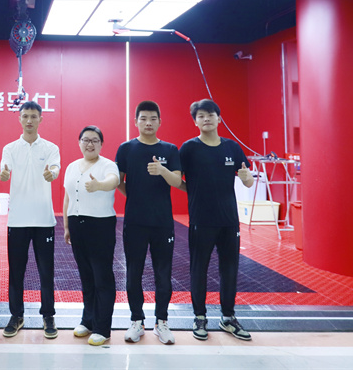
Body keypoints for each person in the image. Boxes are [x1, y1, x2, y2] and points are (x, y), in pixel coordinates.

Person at [180, 99, 254, 342]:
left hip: (229, 220)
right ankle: (199, 317)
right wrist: (193, 191)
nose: (206, 119)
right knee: (198, 269)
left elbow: (248, 181)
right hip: (201, 219)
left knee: (229, 269)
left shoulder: (232, 147)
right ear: (195, 121)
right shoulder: (189, 148)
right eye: (201, 116)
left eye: (210, 114)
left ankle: (228, 317)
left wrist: (247, 177)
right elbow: (178, 179)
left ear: (219, 118)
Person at [115, 101, 182, 345]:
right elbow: (118, 181)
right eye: (143, 118)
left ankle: (161, 321)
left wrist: (162, 170)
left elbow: (177, 181)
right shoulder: (126, 149)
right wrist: (134, 196)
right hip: (135, 222)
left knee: (163, 274)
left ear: (160, 122)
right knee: (133, 273)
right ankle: (137, 320)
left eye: (153, 118)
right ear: (136, 122)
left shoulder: (170, 149)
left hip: (162, 222)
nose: (148, 123)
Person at [0, 101, 61, 339]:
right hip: (17, 220)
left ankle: (48, 315)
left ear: (40, 119)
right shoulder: (10, 148)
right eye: (25, 116)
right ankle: (16, 315)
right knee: (16, 272)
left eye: (34, 116)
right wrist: (5, 174)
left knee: (46, 272)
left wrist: (51, 173)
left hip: (44, 219)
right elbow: (5, 171)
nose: (29, 120)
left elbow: (55, 169)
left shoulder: (50, 148)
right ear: (19, 118)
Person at [62, 126, 119, 347]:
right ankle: (87, 320)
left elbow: (113, 181)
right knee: (86, 276)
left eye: (95, 140)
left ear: (101, 144)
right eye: (85, 140)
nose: (90, 144)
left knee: (102, 277)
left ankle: (102, 328)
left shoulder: (108, 165)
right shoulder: (71, 167)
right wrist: (67, 226)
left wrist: (99, 186)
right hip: (77, 225)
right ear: (79, 142)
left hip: (100, 226)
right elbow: (67, 197)